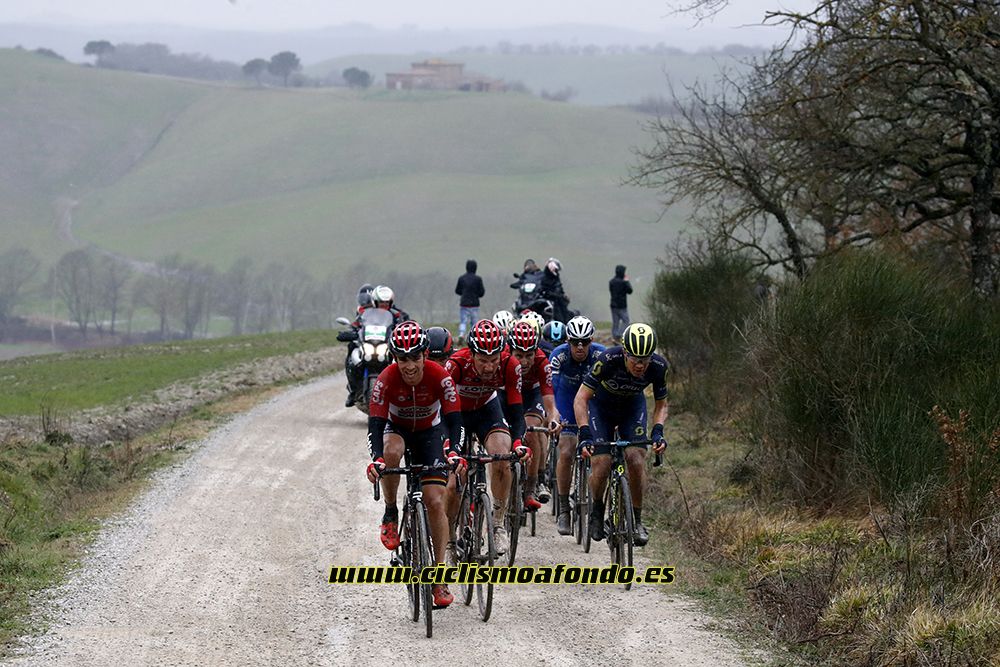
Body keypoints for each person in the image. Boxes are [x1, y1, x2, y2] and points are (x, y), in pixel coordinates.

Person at [365, 321, 465, 608]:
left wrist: (455, 451)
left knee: (436, 501)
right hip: (397, 430)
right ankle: (391, 512)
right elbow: (375, 425)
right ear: (395, 358)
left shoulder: (439, 376)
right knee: (391, 450)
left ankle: (439, 578)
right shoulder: (385, 379)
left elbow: (455, 420)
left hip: (429, 434)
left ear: (424, 355)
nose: (409, 366)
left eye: (414, 358)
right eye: (402, 359)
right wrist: (377, 461)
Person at [574, 322, 668, 547]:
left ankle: (636, 521)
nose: (640, 365)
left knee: (636, 459)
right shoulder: (607, 360)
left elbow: (661, 404)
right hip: (601, 410)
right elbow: (581, 399)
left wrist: (657, 431)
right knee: (602, 463)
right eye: (635, 359)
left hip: (632, 409)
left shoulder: (658, 366)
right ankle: (597, 512)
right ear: (624, 353)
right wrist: (585, 433)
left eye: (644, 360)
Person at [445, 319, 530, 554]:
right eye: (482, 360)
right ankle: (450, 536)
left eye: (494, 360)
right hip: (457, 414)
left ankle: (498, 524)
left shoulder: (510, 365)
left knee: (503, 458)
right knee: (453, 481)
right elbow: (443, 408)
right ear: (471, 353)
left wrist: (519, 442)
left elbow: (515, 410)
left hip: (486, 410)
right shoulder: (456, 365)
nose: (489, 367)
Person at [548, 316, 605, 535]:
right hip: (566, 400)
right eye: (574, 342)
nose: (580, 347)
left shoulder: (601, 354)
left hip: (593, 402)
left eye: (585, 342)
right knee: (567, 448)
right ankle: (564, 508)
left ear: (591, 340)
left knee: (601, 452)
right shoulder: (558, 356)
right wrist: (554, 416)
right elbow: (550, 392)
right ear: (568, 341)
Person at [506, 321, 560, 509]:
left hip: (532, 395)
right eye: (519, 356)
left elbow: (549, 397)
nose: (524, 361)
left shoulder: (542, 361)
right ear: (510, 351)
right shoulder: (502, 357)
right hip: (508, 394)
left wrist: (553, 417)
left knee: (531, 431)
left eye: (529, 355)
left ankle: (531, 487)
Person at [344, 285, 409, 407]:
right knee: (352, 351)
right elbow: (357, 324)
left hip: (388, 345)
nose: (384, 304)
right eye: (381, 302)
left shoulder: (397, 314)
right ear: (375, 302)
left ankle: (407, 392)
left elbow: (408, 324)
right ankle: (353, 390)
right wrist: (350, 331)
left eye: (387, 302)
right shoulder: (366, 313)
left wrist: (405, 331)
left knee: (406, 358)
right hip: (370, 343)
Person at [454, 259, 485, 341]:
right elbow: (482, 292)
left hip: (464, 303)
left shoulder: (462, 278)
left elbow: (457, 290)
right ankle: (473, 336)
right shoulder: (478, 279)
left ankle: (461, 334)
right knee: (474, 322)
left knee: (463, 321)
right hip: (474, 304)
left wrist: (464, 293)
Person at [540, 258, 571, 323]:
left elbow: (559, 288)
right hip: (549, 299)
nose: (557, 271)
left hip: (555, 300)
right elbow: (543, 289)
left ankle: (565, 323)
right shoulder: (544, 277)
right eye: (556, 269)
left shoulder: (555, 277)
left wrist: (562, 295)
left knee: (563, 311)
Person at [609, 265, 633, 343]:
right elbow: (630, 291)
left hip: (613, 305)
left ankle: (614, 337)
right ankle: (619, 335)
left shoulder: (611, 282)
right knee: (626, 321)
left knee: (615, 322)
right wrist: (627, 281)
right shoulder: (623, 282)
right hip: (622, 306)